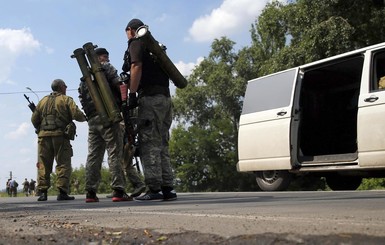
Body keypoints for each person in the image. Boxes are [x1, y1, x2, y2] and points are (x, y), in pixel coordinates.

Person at [123, 18, 177, 201]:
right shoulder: (155, 47)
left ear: (130, 30)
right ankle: (168, 187)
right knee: (162, 142)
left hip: (150, 99)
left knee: (149, 143)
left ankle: (154, 189)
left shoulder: (136, 43)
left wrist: (131, 94)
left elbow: (135, 65)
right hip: (165, 99)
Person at [79, 47, 132, 203]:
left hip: (93, 120)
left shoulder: (85, 77)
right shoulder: (106, 68)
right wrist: (124, 102)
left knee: (93, 156)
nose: (107, 59)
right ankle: (118, 190)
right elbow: (119, 85)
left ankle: (90, 192)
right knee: (115, 152)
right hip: (109, 116)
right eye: (104, 56)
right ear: (98, 58)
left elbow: (82, 99)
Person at [31, 79, 86, 201]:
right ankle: (62, 192)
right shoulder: (66, 99)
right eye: (65, 86)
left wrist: (40, 128)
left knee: (43, 164)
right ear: (61, 87)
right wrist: (85, 118)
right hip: (60, 136)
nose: (66, 88)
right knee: (63, 163)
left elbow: (34, 119)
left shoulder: (43, 101)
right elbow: (76, 114)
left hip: (43, 136)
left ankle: (43, 193)